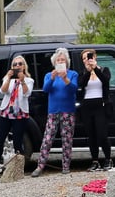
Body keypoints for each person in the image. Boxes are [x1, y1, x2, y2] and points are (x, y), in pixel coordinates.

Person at [31, 48, 79, 176]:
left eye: (62, 60)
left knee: (67, 139)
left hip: (68, 111)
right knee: (47, 138)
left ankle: (66, 166)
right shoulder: (49, 75)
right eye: (58, 60)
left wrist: (65, 79)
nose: (60, 61)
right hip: (53, 111)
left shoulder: (73, 74)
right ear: (54, 62)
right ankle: (40, 166)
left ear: (66, 62)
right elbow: (46, 89)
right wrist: (52, 78)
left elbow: (73, 89)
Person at [0, 55, 33, 178]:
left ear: (24, 66)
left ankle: (18, 169)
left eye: (20, 64)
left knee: (18, 142)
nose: (17, 66)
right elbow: (3, 91)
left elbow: (27, 93)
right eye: (15, 64)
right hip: (6, 112)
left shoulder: (29, 80)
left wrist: (22, 81)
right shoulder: (8, 78)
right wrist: (8, 78)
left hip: (20, 114)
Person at [74, 48, 112, 172]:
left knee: (102, 135)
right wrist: (88, 72)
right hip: (87, 107)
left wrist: (95, 69)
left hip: (101, 106)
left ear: (94, 57)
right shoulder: (82, 73)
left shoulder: (104, 70)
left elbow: (106, 81)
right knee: (91, 136)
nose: (87, 60)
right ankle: (95, 160)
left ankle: (108, 159)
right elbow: (81, 84)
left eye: (89, 57)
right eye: (84, 58)